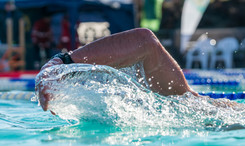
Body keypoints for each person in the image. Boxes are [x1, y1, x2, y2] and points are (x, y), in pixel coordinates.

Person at [36, 28, 199, 111]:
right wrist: (62, 63)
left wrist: (63, 63)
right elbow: (145, 42)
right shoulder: (193, 104)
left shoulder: (194, 107)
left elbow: (145, 42)